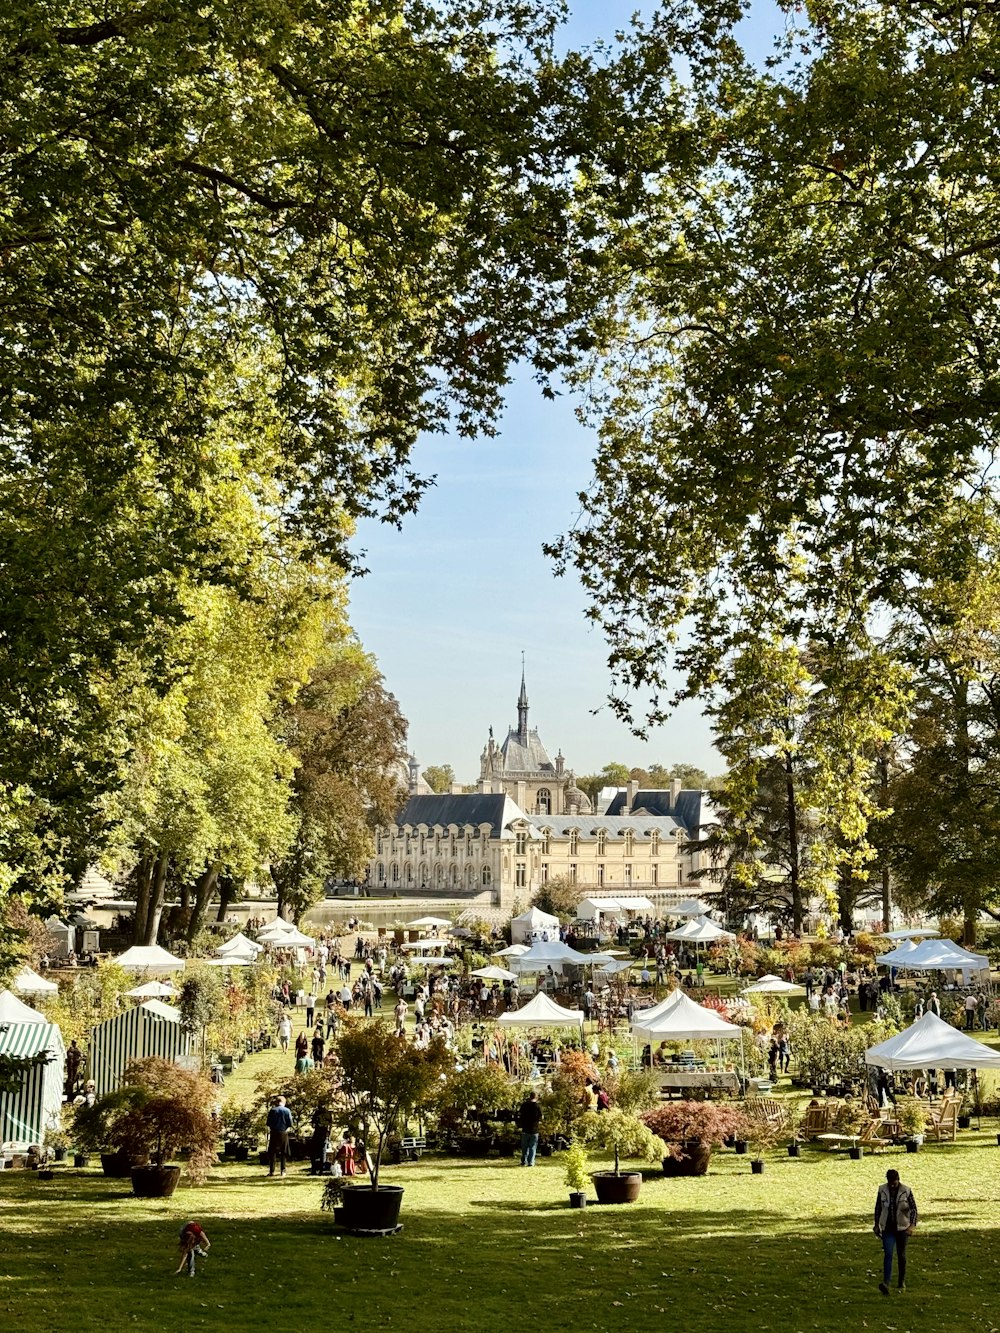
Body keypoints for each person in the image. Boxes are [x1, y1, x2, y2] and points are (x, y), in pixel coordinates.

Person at [873, 1168, 918, 1296]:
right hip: (887, 1228)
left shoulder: (906, 1191)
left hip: (902, 1227)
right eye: (890, 1183)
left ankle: (901, 1281)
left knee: (901, 1255)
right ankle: (886, 1282)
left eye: (895, 1182)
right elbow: (878, 1208)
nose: (892, 1185)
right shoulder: (882, 1190)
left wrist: (911, 1226)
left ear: (898, 1180)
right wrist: (876, 1224)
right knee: (888, 1254)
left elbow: (914, 1209)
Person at [266, 1095, 293, 1176]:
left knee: (272, 1152)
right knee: (283, 1152)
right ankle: (283, 1170)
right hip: (283, 1132)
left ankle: (272, 1171)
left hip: (274, 1132)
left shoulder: (272, 1110)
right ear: (283, 1102)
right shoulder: (287, 1111)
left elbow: (268, 1123)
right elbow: (290, 1123)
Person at [517, 1090, 543, 1167]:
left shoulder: (524, 1105)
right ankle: (531, 1162)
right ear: (536, 1097)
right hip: (534, 1129)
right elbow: (541, 1117)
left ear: (530, 1096)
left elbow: (519, 1114)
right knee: (532, 1146)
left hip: (525, 1129)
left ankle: (523, 1161)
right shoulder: (538, 1106)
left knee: (524, 1146)